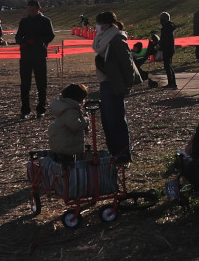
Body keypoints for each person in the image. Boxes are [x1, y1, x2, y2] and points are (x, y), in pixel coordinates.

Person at [92, 11, 141, 163]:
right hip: (106, 82)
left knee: (117, 120)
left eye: (99, 24)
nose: (97, 27)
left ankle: (123, 154)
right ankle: (114, 152)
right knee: (108, 120)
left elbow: (127, 64)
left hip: (115, 84)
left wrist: (127, 85)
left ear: (106, 25)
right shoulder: (103, 39)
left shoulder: (117, 39)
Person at [15, 0, 55, 119]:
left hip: (39, 55)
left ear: (39, 9)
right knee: (25, 84)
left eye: (33, 10)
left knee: (41, 83)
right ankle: (25, 109)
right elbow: (17, 37)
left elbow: (51, 35)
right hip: (26, 55)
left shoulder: (45, 21)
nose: (31, 12)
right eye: (29, 10)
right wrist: (23, 42)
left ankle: (41, 108)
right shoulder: (24, 21)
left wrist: (38, 41)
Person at [46, 83, 89, 165]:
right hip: (67, 145)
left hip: (61, 143)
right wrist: (86, 121)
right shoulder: (69, 111)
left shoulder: (64, 107)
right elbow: (76, 126)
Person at [159, 11, 177, 89]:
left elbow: (164, 39)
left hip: (167, 49)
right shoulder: (170, 26)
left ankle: (171, 84)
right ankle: (173, 83)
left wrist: (159, 45)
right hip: (171, 49)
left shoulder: (165, 28)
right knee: (170, 66)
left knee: (167, 67)